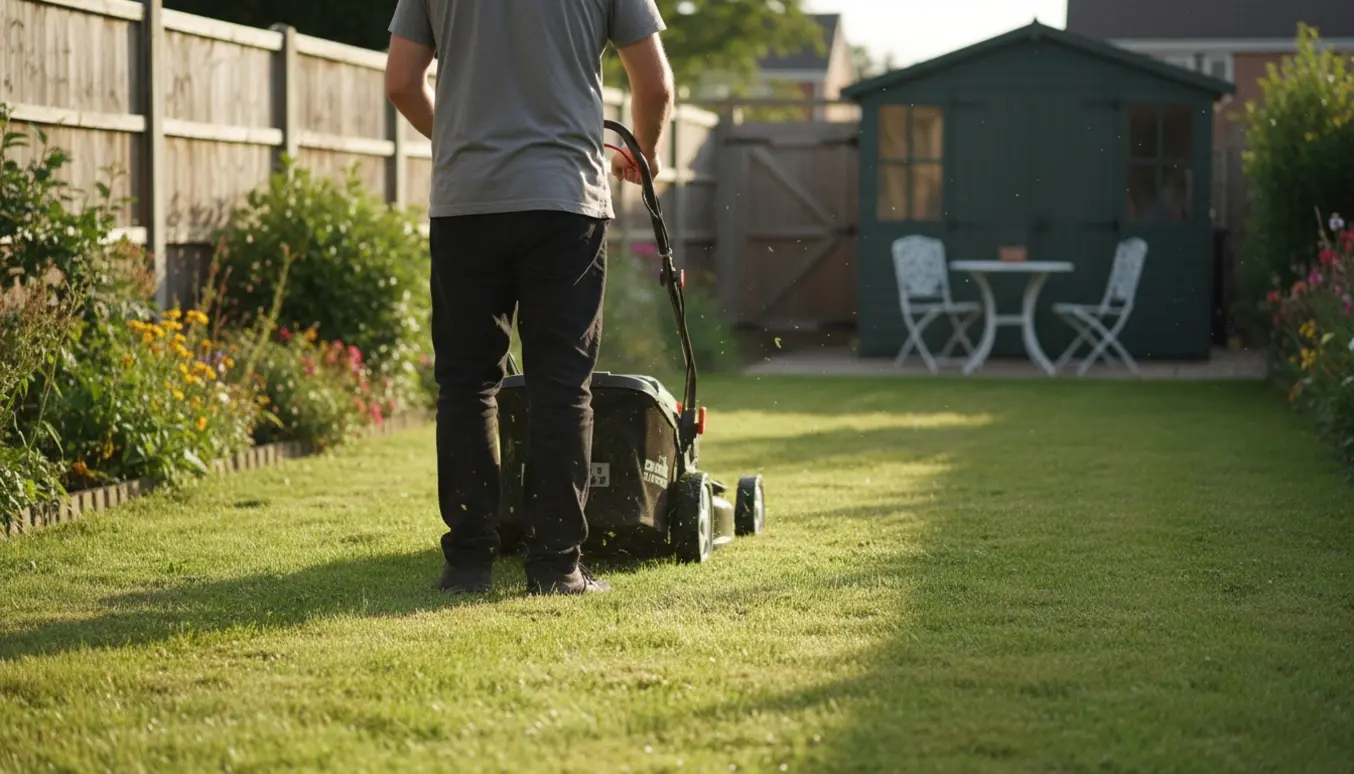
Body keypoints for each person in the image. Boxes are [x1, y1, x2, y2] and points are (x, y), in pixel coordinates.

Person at [384, 0, 675, 595]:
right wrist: (638, 155)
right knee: (561, 386)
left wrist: (463, 140)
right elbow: (656, 84)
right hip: (564, 200)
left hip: (467, 202)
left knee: (466, 382)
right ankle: (556, 565)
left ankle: (467, 564)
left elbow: (401, 83)